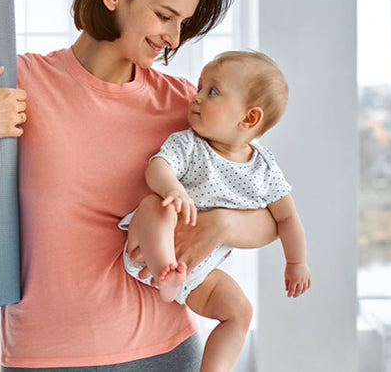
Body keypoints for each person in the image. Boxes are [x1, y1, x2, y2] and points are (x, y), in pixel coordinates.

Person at [0, 0, 280, 370]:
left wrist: (220, 223)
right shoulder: (24, 83)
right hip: (44, 355)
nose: (174, 38)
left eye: (182, 24)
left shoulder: (185, 104)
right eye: (165, 16)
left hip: (165, 351)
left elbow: (273, 214)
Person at [119, 50, 310, 372]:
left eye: (212, 91)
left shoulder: (264, 168)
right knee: (155, 204)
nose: (195, 97)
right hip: (149, 250)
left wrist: (296, 262)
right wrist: (173, 190)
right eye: (199, 87)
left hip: (198, 272)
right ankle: (166, 270)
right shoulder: (189, 144)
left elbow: (287, 217)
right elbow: (158, 166)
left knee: (240, 312)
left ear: (249, 118)